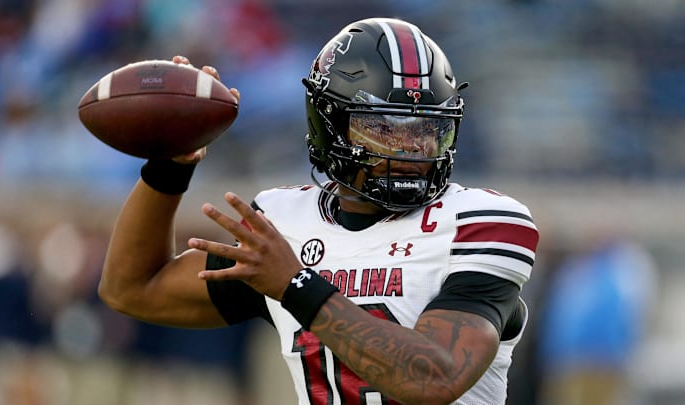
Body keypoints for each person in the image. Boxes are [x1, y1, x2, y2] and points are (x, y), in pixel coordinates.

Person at [98, 17, 539, 405]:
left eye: (428, 129)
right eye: (385, 128)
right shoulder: (286, 222)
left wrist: (295, 284)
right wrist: (169, 166)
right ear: (329, 125)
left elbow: (432, 379)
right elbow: (133, 289)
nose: (412, 151)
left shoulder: (479, 223)